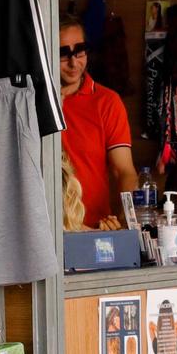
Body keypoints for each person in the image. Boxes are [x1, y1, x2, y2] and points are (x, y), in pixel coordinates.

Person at [58, 16, 138, 229]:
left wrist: (124, 220)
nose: (74, 62)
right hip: (45, 231)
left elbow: (124, 171)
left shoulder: (107, 102)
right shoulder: (32, 102)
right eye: (63, 54)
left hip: (94, 228)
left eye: (80, 50)